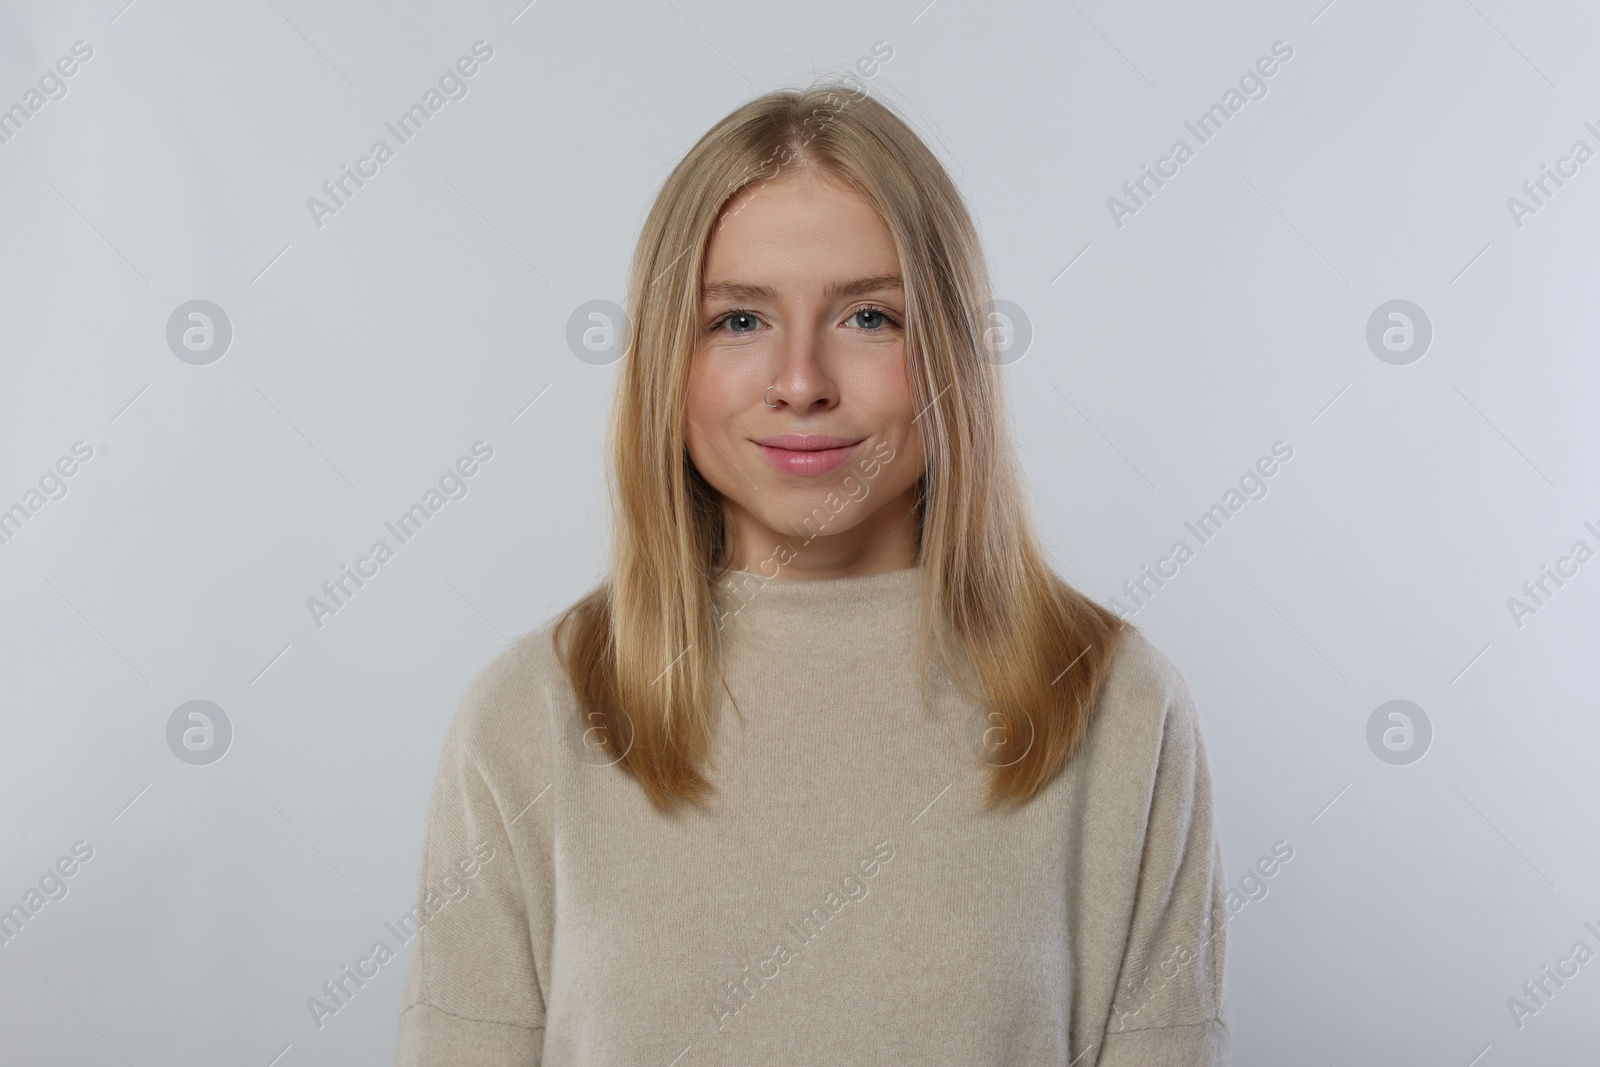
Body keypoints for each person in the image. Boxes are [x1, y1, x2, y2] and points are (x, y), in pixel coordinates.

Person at [395, 83, 1230, 1066]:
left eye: (870, 316)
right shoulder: (526, 715)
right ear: (669, 360)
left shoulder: (1118, 705)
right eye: (738, 321)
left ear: (952, 351)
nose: (800, 380)